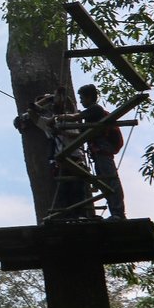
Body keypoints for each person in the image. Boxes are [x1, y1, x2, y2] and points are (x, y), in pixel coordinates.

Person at [13, 87, 93, 220]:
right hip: (62, 161)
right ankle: (68, 217)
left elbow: (70, 104)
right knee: (64, 189)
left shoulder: (72, 117)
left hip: (76, 158)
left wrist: (56, 97)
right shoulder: (49, 123)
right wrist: (47, 99)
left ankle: (81, 216)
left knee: (77, 189)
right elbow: (31, 112)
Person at [56, 84, 126, 220]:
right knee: (105, 182)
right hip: (98, 153)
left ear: (89, 97)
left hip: (103, 151)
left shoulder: (95, 109)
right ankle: (116, 213)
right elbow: (79, 136)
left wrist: (60, 118)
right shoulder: (90, 116)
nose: (81, 101)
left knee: (111, 181)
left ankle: (118, 213)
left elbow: (76, 117)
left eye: (82, 98)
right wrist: (61, 132)